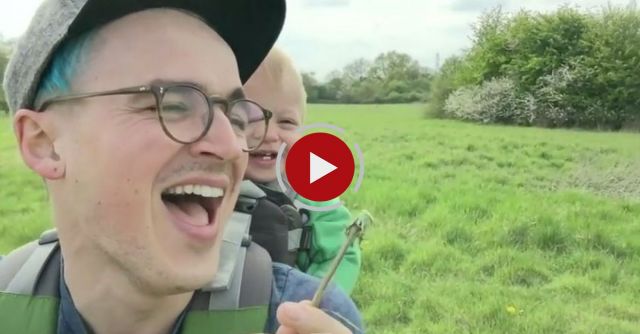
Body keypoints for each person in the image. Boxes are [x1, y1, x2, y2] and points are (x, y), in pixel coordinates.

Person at [0, 0, 364, 333]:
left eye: (235, 115)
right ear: (43, 143)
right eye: (173, 105)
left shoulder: (307, 316)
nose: (231, 146)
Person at [243, 48, 361, 295]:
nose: (269, 134)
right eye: (250, 118)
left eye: (286, 122)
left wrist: (309, 303)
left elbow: (340, 255)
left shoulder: (313, 195)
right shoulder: (210, 185)